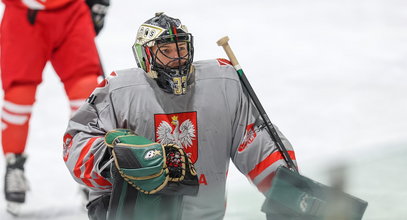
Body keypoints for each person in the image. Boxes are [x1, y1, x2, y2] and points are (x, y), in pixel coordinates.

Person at [63, 12, 297, 220]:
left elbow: (256, 141)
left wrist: (289, 192)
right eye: (166, 51)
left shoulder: (223, 84)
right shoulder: (118, 91)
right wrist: (116, 162)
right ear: (145, 56)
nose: (177, 58)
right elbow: (75, 144)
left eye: (181, 49)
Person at [0, 0, 109, 215]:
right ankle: (14, 164)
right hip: (25, 15)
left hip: (71, 12)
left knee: (86, 91)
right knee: (18, 96)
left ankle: (89, 164)